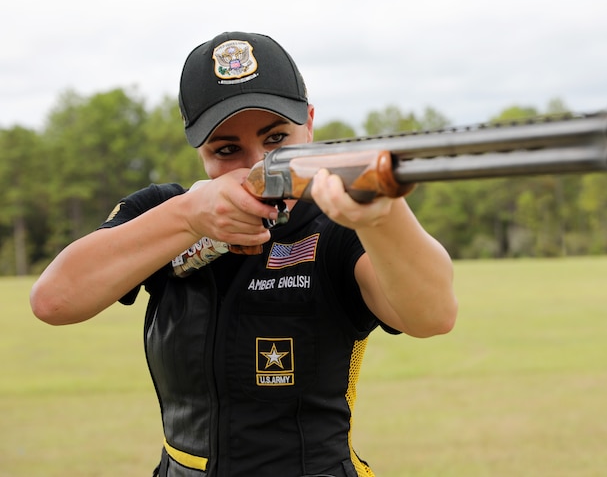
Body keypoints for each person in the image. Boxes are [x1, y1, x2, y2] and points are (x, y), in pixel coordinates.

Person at [30, 31, 457, 477]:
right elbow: (54, 300)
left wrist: (382, 215)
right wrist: (189, 217)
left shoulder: (335, 227)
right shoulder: (166, 214)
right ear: (199, 151)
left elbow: (433, 315)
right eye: (227, 150)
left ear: (309, 124)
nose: (256, 162)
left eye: (276, 139)